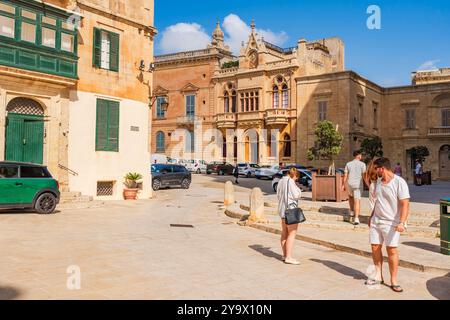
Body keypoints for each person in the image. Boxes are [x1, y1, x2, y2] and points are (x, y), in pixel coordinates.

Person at [366, 157, 410, 293]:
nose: (375, 172)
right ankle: (378, 275)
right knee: (375, 248)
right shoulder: (378, 182)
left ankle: (394, 280)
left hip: (391, 223)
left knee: (391, 250)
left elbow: (405, 203)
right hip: (376, 221)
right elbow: (378, 201)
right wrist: (371, 216)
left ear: (382, 168)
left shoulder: (399, 182)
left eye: (376, 169)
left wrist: (402, 222)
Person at [277, 168, 302, 265]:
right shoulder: (290, 182)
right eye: (296, 178)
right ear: (294, 175)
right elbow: (296, 195)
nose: (296, 179)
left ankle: (284, 255)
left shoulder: (280, 181)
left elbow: (278, 195)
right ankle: (288, 257)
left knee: (284, 233)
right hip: (290, 211)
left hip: (282, 210)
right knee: (292, 233)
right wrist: (299, 189)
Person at [342, 150, 367, 225]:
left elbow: (345, 175)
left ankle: (352, 211)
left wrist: (343, 185)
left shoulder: (348, 164)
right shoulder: (362, 164)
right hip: (358, 185)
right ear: (359, 155)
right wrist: (368, 184)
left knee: (350, 197)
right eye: (361, 155)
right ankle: (356, 218)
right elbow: (364, 176)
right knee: (357, 201)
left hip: (350, 184)